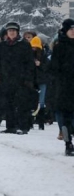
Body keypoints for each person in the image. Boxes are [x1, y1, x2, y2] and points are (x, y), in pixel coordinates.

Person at [0, 22, 36, 134]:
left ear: (17, 32)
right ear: (7, 33)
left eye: (13, 31)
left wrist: (28, 78)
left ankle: (23, 126)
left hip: (21, 79)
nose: (11, 33)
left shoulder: (24, 45)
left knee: (21, 104)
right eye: (9, 31)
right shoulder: (3, 45)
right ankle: (10, 126)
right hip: (6, 78)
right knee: (8, 103)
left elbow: (29, 63)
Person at [49, 19, 74, 156]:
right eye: (71, 29)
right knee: (65, 117)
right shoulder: (60, 47)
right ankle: (68, 142)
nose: (73, 32)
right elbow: (54, 67)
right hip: (64, 86)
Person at [30, 36, 49, 130]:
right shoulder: (29, 56)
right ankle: (31, 122)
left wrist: (40, 65)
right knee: (31, 102)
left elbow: (48, 68)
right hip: (32, 81)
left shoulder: (44, 56)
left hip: (41, 80)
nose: (34, 49)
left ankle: (41, 122)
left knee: (41, 102)